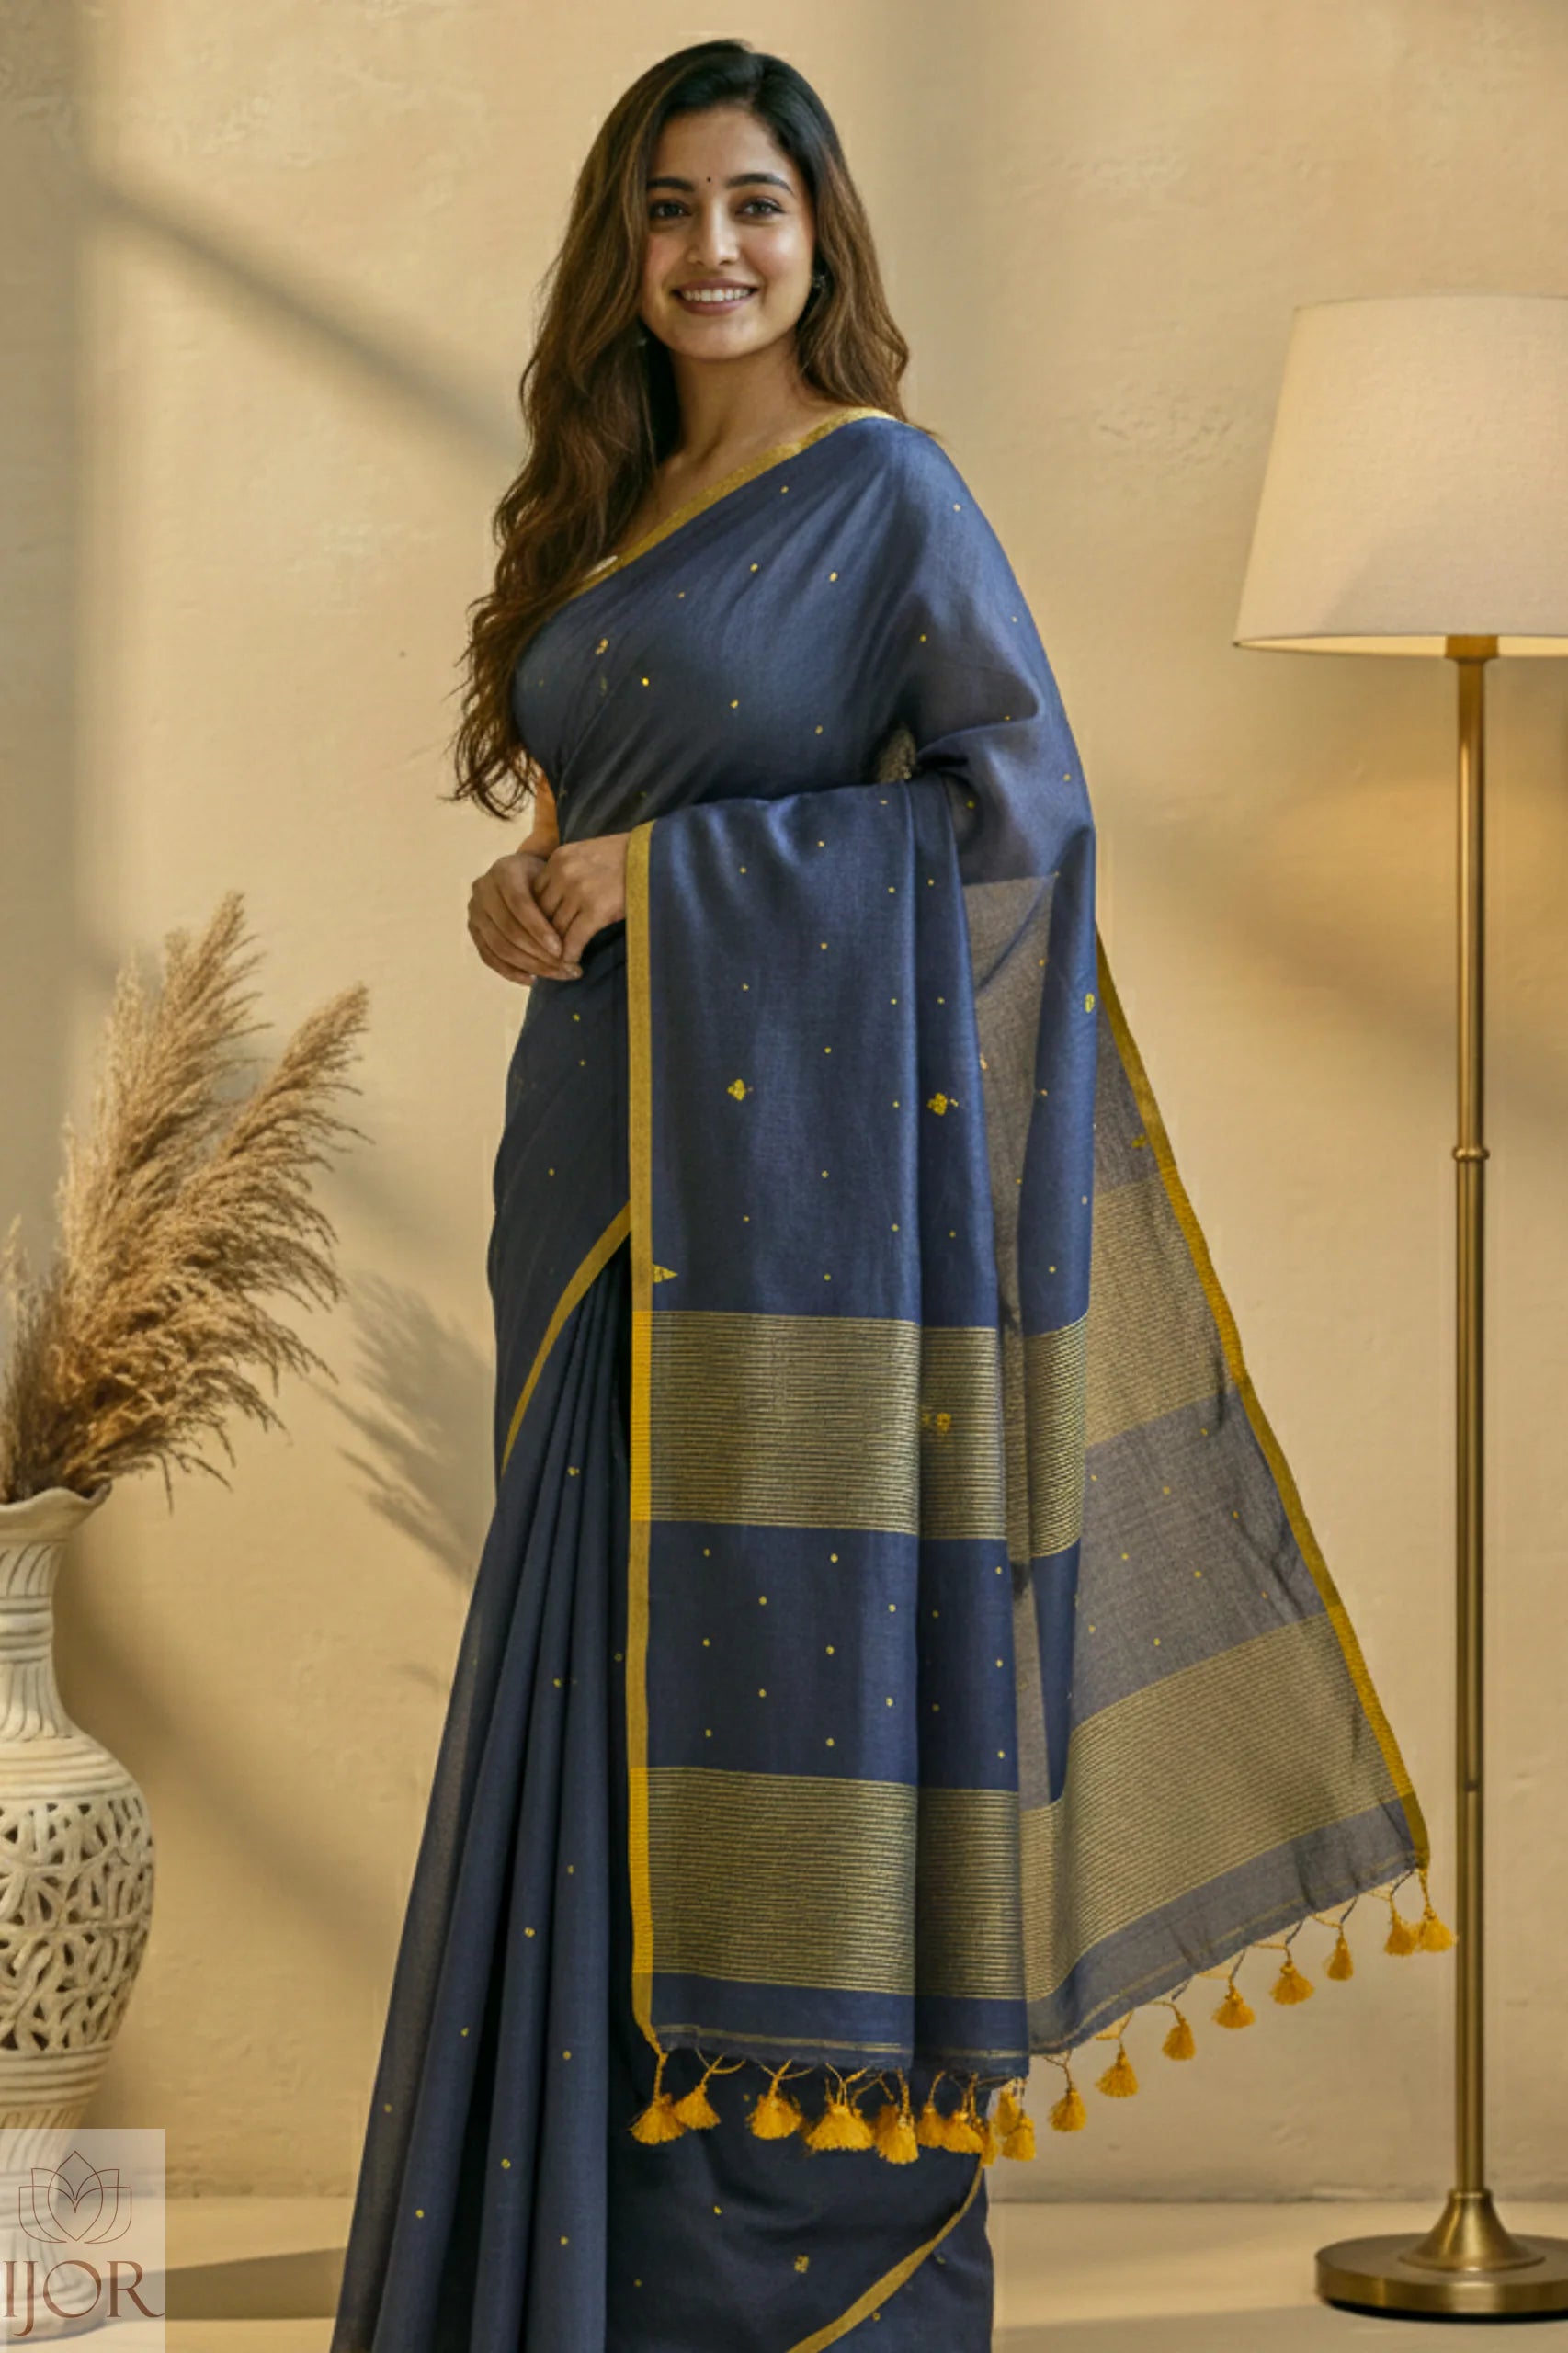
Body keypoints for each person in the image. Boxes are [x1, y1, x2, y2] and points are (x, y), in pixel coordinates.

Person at [331, 38, 1445, 2353]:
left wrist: (669, 879)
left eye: (754, 202)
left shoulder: (887, 490)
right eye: (668, 207)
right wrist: (528, 889)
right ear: (619, 246)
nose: (711, 248)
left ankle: (798, 2274)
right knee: (596, 1691)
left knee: (784, 1689)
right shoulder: (605, 503)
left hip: (792, 1216)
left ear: (820, 234)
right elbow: (586, 815)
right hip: (595, 1174)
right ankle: (574, 2268)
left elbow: (1017, 824)